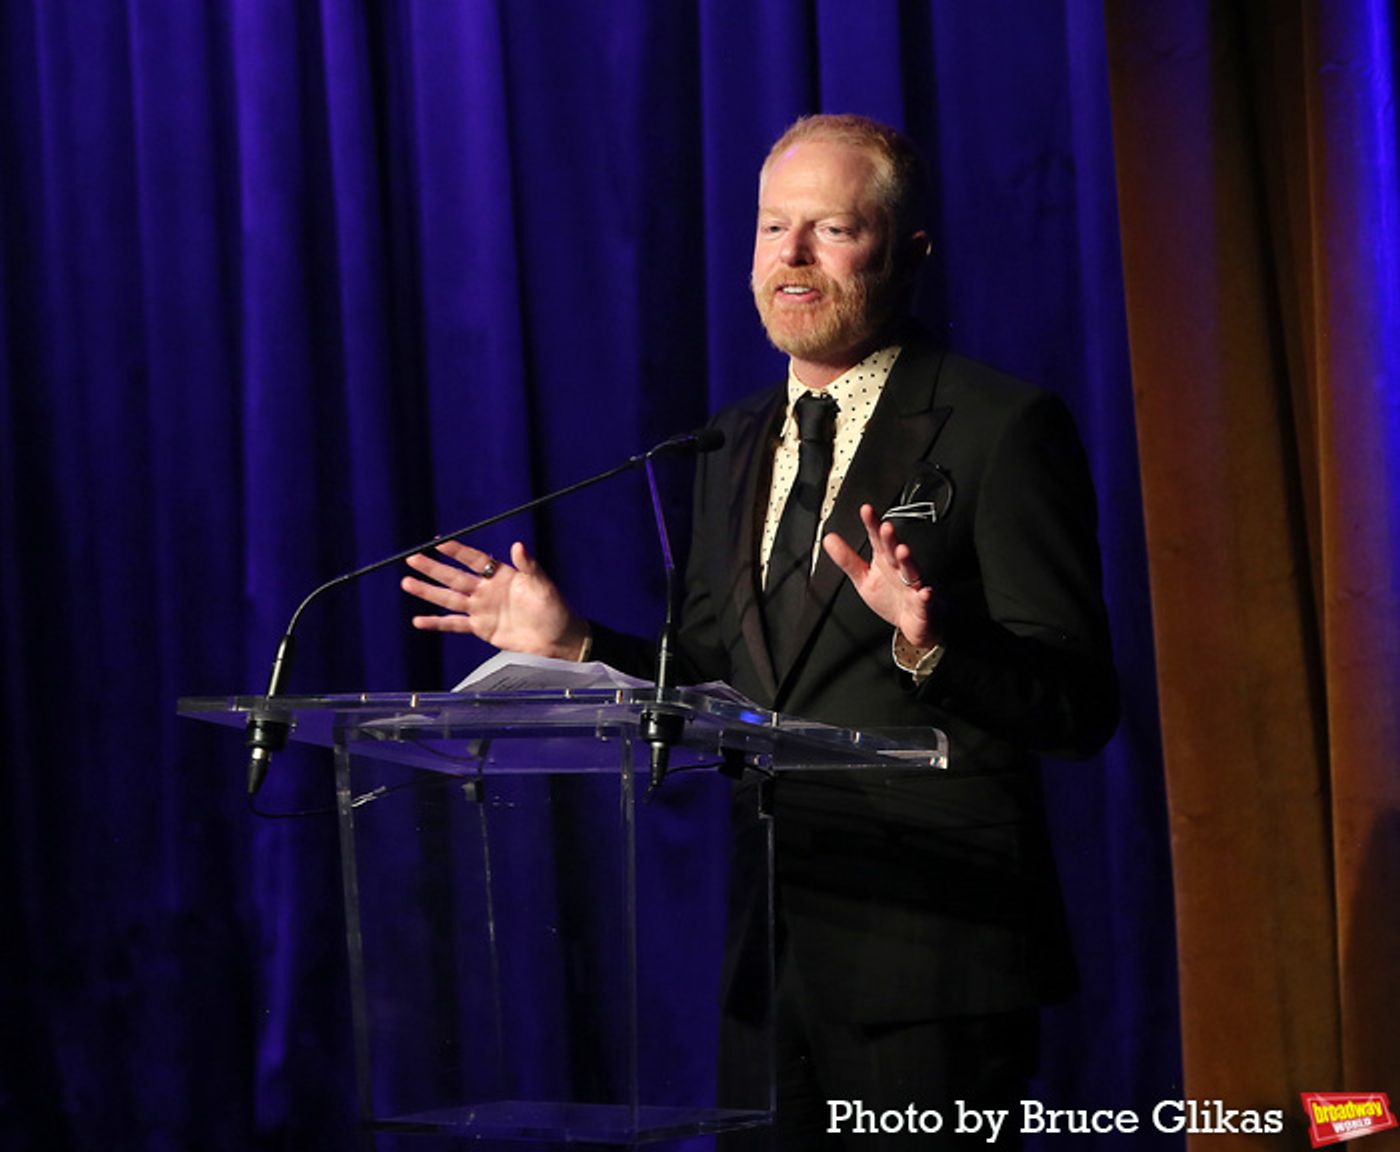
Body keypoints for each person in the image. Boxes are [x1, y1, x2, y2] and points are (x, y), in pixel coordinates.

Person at [401, 114, 1118, 1148]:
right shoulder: (734, 439)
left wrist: (930, 643)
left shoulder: (998, 428)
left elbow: (1076, 706)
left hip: (935, 961)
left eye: (829, 229)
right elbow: (716, 682)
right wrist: (574, 645)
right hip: (772, 956)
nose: (788, 256)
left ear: (906, 251)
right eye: (771, 227)